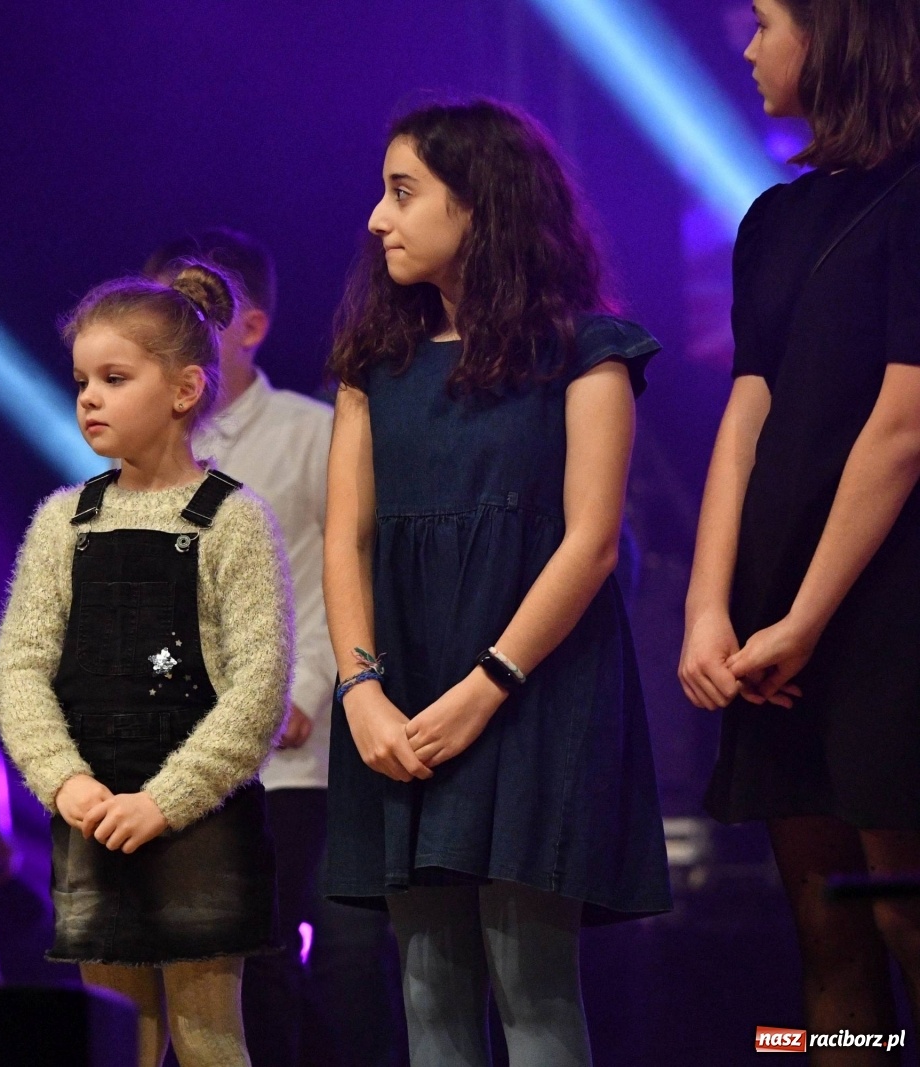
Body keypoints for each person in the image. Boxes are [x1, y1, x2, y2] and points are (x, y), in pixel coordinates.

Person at [322, 100, 672, 1067]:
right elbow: (346, 538)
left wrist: (486, 687)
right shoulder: (373, 364)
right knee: (427, 988)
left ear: (479, 203)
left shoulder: (587, 351)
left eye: (404, 193)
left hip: (532, 691)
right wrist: (361, 691)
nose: (377, 219)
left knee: (535, 983)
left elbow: (591, 543)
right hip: (399, 692)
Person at [680, 0, 920, 1053]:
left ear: (837, 32)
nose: (747, 47)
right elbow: (745, 417)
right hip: (778, 619)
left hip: (884, 614)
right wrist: (709, 607)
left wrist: (808, 618)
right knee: (827, 940)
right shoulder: (773, 219)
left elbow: (902, 427)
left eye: (766, 20)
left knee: (905, 919)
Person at [0, 263, 292, 1067]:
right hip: (93, 812)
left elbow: (259, 687)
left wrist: (166, 800)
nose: (89, 396)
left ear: (186, 389)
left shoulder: (233, 521)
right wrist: (64, 780)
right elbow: (18, 668)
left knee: (209, 1038)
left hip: (198, 818)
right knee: (116, 1042)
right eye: (82, 380)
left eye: (114, 378)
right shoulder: (64, 520)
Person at [144, 230, 405, 1067]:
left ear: (250, 326)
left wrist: (311, 684)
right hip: (186, 753)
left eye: (195, 311)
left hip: (298, 753)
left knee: (321, 958)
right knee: (213, 963)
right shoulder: (148, 443)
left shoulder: (310, 432)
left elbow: (348, 569)